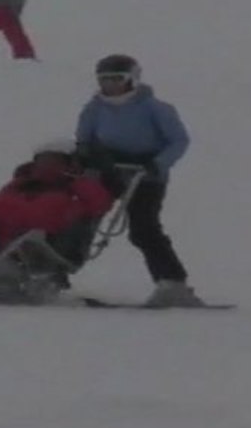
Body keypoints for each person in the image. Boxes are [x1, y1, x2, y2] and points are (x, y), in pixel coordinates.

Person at [75, 54, 203, 307]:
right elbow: (84, 140)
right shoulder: (95, 107)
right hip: (109, 169)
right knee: (81, 219)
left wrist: (158, 164)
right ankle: (52, 271)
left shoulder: (154, 108)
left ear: (132, 80)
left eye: (117, 80)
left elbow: (178, 141)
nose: (110, 86)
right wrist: (85, 159)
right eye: (105, 80)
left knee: (143, 229)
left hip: (146, 174)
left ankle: (173, 282)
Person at [0, 140, 118, 256]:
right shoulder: (27, 182)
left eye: (53, 161)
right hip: (14, 221)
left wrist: (78, 181)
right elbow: (6, 194)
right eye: (43, 161)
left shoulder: (76, 188)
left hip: (44, 229)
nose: (47, 167)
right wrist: (25, 179)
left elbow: (99, 203)